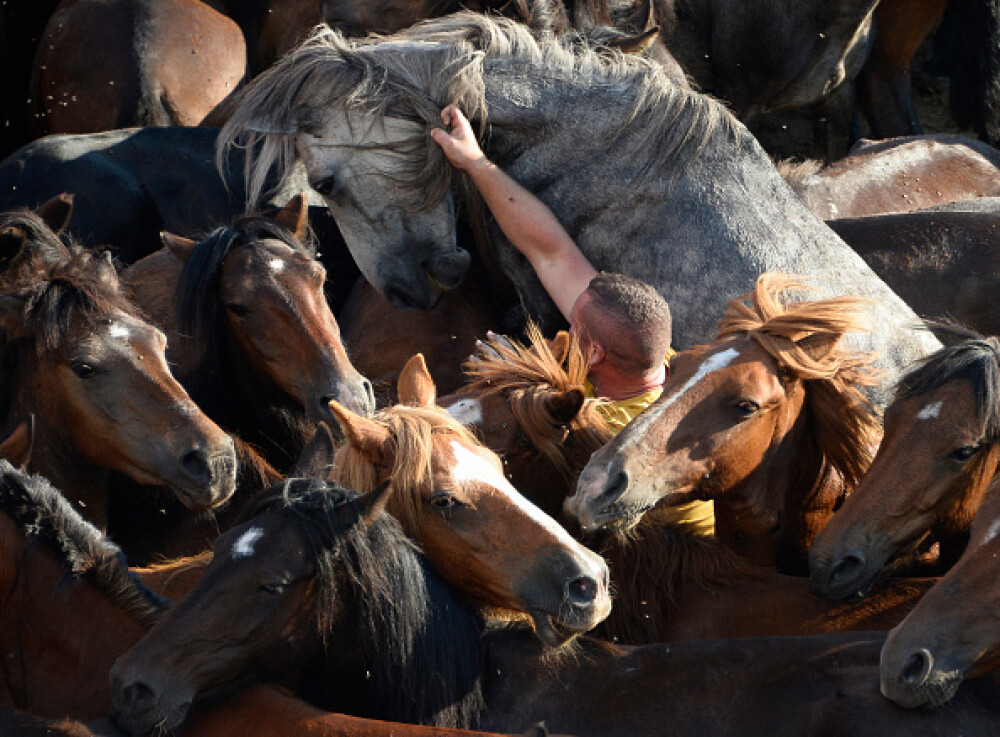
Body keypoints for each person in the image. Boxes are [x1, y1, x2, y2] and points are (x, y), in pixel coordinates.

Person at [430, 104, 714, 536]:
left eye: (574, 327)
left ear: (594, 353)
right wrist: (474, 161)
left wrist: (515, 376)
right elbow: (551, 251)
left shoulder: (607, 433)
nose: (566, 326)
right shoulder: (652, 356)